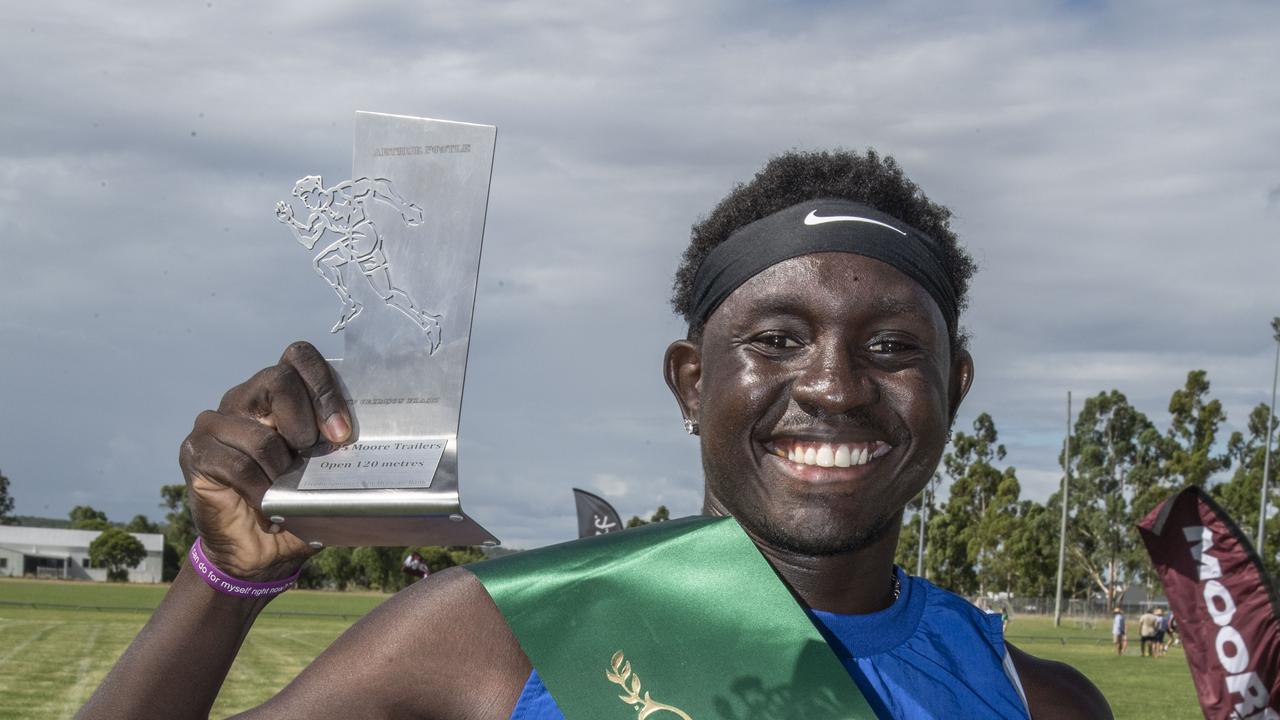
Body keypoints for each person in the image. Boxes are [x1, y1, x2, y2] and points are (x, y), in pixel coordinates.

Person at [81, 149, 1111, 719]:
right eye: (777, 339)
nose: (833, 387)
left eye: (890, 348)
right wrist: (218, 587)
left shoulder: (1039, 703)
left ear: (952, 386)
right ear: (690, 381)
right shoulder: (496, 635)